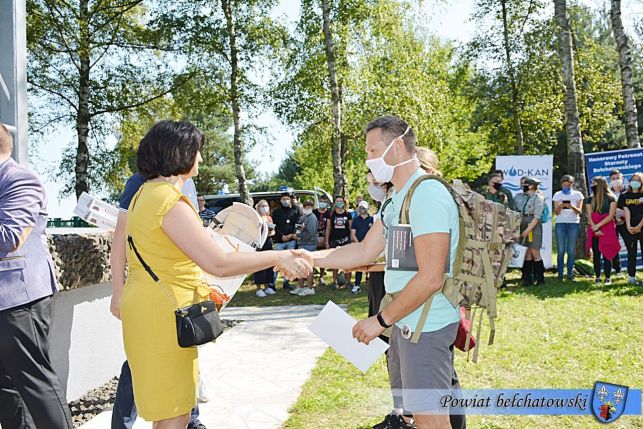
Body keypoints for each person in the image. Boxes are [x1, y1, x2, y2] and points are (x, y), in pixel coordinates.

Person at [119, 120, 312, 428]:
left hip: (148, 307)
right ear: (180, 153)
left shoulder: (145, 194)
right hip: (165, 314)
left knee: (167, 409)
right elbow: (218, 264)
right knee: (175, 413)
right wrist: (280, 256)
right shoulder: (169, 201)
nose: (201, 158)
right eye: (197, 150)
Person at [312, 116, 462, 429]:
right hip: (406, 323)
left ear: (395, 147)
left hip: (425, 325)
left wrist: (380, 321)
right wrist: (310, 259)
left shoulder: (426, 195)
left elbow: (431, 277)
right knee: (418, 418)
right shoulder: (396, 198)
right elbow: (364, 251)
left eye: (371, 150)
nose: (368, 159)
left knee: (432, 421)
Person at [110, 172, 206, 429]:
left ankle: (191, 419)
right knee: (139, 369)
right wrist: (117, 291)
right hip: (155, 303)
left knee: (179, 379)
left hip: (180, 300)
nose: (199, 159)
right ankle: (122, 424)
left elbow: (188, 241)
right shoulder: (141, 183)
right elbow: (120, 237)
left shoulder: (187, 183)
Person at [0, 124, 73, 429]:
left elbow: (9, 236)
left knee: (35, 383)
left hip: (20, 298)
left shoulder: (20, 178)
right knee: (5, 389)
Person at [585, 176, 619, 286]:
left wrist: (598, 226)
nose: (591, 185)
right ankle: (598, 277)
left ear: (600, 184)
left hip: (607, 229)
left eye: (594, 183)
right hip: (594, 230)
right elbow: (589, 216)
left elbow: (611, 215)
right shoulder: (589, 199)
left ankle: (608, 278)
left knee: (607, 254)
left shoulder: (611, 198)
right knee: (596, 254)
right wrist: (595, 228)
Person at [552, 175, 584, 282]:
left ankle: (570, 274)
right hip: (560, 223)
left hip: (573, 224)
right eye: (565, 185)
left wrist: (572, 206)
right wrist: (560, 206)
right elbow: (556, 213)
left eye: (569, 185)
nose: (566, 187)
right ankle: (560, 274)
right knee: (561, 250)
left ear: (572, 184)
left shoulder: (578, 194)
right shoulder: (557, 194)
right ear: (561, 185)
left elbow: (579, 211)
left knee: (571, 250)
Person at [272, 192, 301, 290]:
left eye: (287, 199)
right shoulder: (276, 212)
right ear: (281, 200)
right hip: (279, 241)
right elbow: (274, 226)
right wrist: (282, 236)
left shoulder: (295, 211)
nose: (286, 201)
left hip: (291, 240)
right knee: (277, 262)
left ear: (290, 200)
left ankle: (286, 282)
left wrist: (291, 235)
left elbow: (297, 225)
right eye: (284, 199)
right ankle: (272, 283)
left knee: (289, 262)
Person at [520, 177, 546, 286]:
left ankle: (540, 278)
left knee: (535, 252)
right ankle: (528, 278)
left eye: (525, 184)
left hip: (533, 226)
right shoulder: (526, 197)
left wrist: (527, 230)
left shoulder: (538, 198)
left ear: (531, 185)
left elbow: (537, 217)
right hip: (525, 224)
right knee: (528, 253)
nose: (522, 186)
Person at [617, 172, 643, 284]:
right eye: (633, 179)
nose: (635, 182)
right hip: (628, 229)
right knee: (631, 252)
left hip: (641, 227)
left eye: (638, 180)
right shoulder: (624, 196)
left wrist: (639, 226)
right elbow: (623, 210)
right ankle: (631, 277)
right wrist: (628, 225)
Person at [291, 200, 319, 296]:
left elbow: (310, 234)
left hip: (309, 244)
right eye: (305, 207)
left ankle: (310, 288)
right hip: (301, 244)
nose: (307, 209)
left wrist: (299, 236)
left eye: (309, 207)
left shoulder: (312, 218)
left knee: (308, 267)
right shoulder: (303, 217)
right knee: (300, 266)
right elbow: (298, 228)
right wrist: (297, 233)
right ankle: (301, 287)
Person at [325, 195, 353, 289]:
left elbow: (351, 228)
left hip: (345, 240)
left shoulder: (348, 214)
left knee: (347, 261)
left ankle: (348, 281)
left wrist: (352, 240)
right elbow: (328, 228)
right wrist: (327, 241)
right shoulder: (331, 214)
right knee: (334, 261)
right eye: (337, 201)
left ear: (344, 203)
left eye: (341, 201)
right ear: (335, 203)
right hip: (334, 240)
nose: (339, 202)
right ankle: (335, 281)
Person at [253, 200, 277, 298]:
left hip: (268, 242)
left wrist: (272, 233)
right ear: (258, 207)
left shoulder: (269, 218)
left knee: (269, 265)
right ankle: (259, 288)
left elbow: (273, 231)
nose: (265, 208)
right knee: (259, 266)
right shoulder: (256, 218)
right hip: (259, 244)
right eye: (262, 206)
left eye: (266, 206)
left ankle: (267, 287)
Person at [351, 201, 374, 294]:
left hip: (370, 246)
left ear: (367, 208)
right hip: (359, 246)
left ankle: (372, 284)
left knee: (372, 266)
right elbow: (353, 234)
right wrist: (359, 244)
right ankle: (356, 285)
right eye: (360, 208)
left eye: (363, 208)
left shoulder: (372, 220)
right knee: (359, 266)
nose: (362, 209)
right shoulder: (355, 220)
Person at [610, 170, 626, 276]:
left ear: (622, 178)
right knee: (614, 246)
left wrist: (623, 218)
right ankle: (618, 270)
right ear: (610, 181)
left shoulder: (628, 191)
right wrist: (615, 219)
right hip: (612, 224)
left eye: (618, 178)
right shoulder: (608, 193)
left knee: (631, 246)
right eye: (613, 179)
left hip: (626, 223)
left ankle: (631, 270)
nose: (616, 180)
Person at [313, 200, 331, 285]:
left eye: (324, 202)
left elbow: (328, 227)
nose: (322, 203)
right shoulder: (314, 212)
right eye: (321, 201)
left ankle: (321, 277)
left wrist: (326, 241)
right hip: (314, 237)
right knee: (312, 257)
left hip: (324, 237)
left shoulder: (329, 213)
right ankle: (311, 277)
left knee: (323, 257)